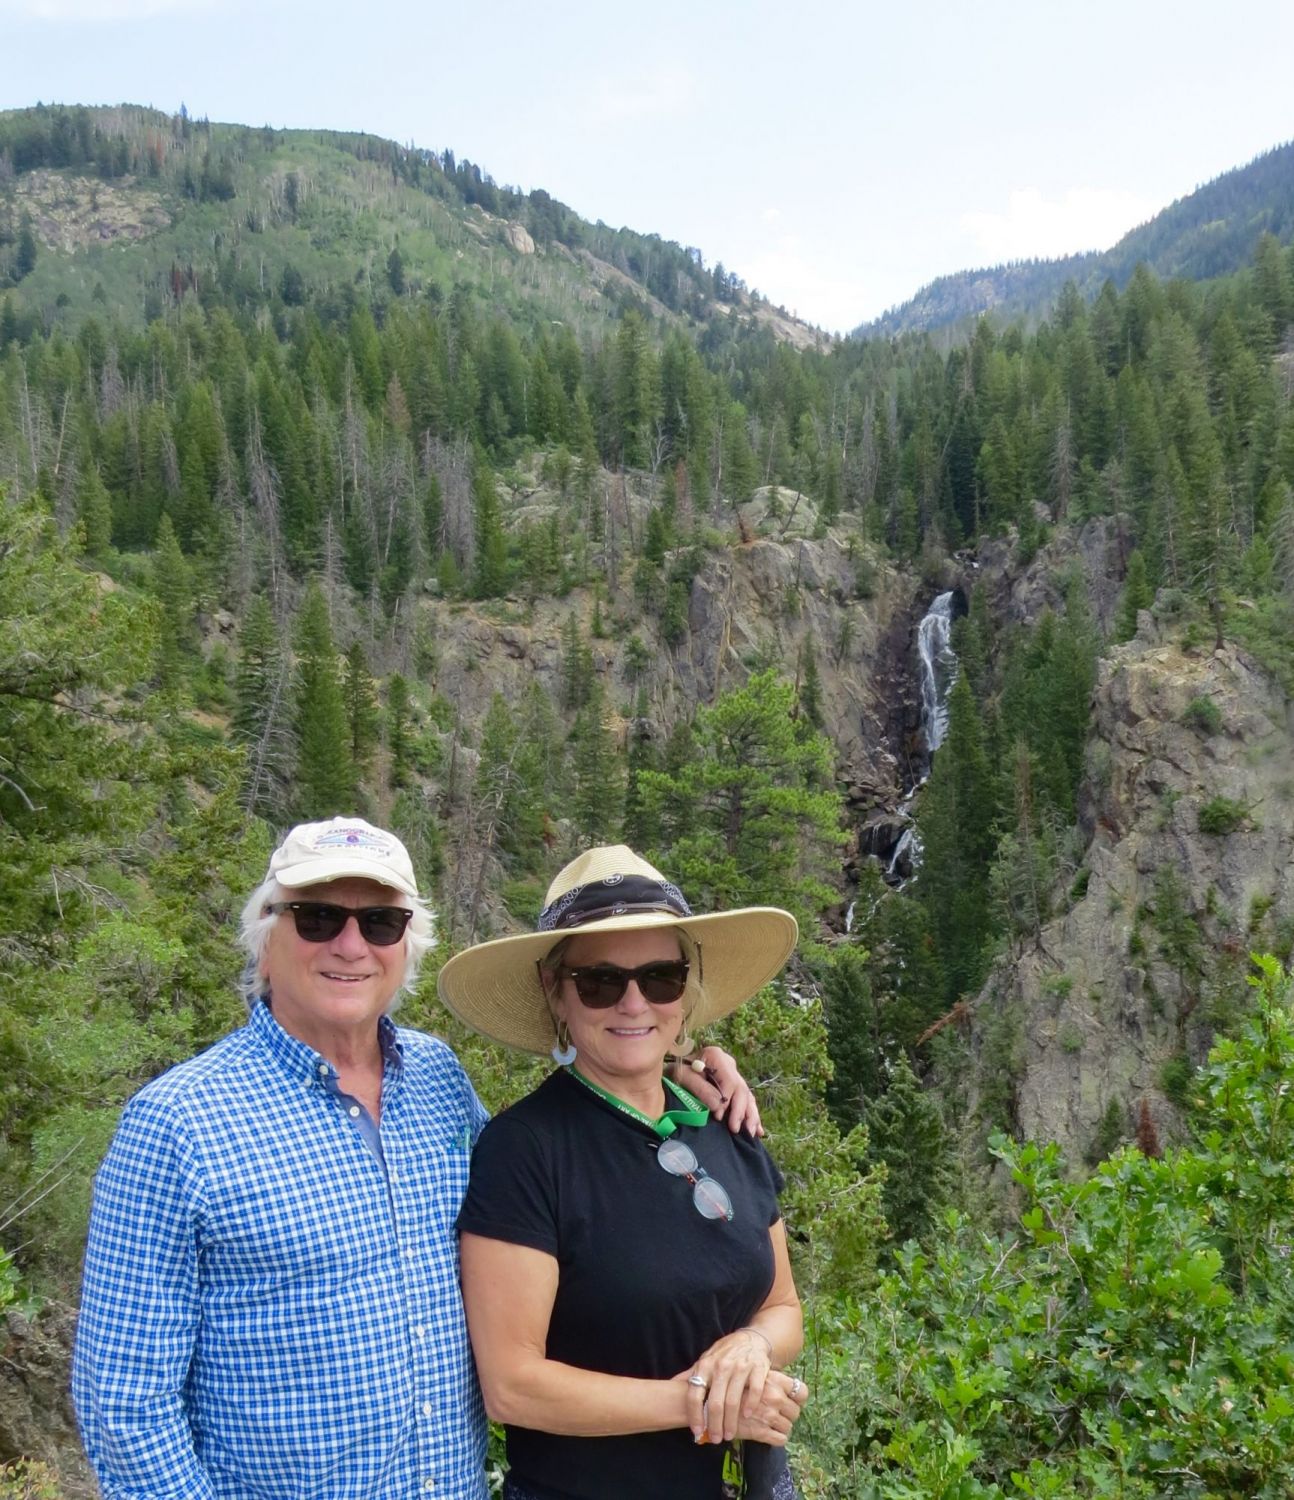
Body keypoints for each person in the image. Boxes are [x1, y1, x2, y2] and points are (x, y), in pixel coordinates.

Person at [72, 817, 759, 1500]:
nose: (351, 945)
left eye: (380, 923)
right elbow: (124, 1407)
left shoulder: (437, 1079)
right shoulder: (176, 1124)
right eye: (316, 918)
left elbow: (579, 1184)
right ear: (265, 943)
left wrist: (681, 1064)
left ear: (406, 945)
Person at [439, 844, 809, 1500]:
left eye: (660, 977)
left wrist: (749, 1347)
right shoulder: (525, 1150)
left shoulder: (725, 1121)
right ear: (557, 994)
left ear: (686, 991)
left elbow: (781, 1306)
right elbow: (513, 1386)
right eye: (601, 981)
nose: (634, 1003)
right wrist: (698, 1402)